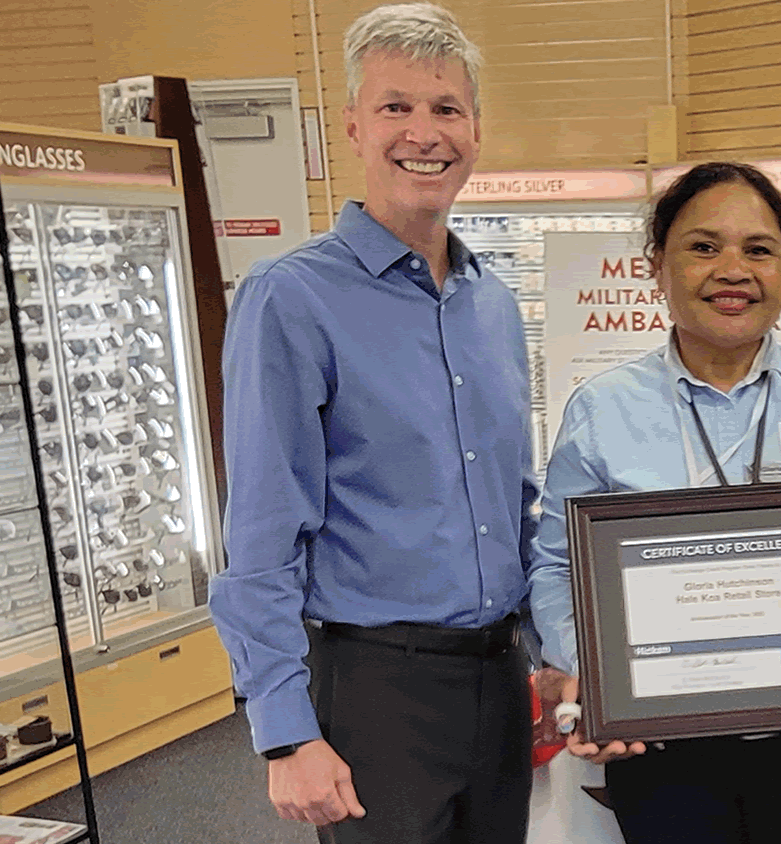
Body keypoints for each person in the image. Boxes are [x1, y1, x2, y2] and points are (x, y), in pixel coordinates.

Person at [209, 4, 537, 842]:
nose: (423, 133)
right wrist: (285, 730)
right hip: (373, 692)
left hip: (500, 681)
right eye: (396, 107)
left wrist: (563, 651)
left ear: (476, 129)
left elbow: (515, 501)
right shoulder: (290, 299)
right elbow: (261, 530)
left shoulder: (494, 305)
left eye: (445, 108)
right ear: (352, 125)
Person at [527, 161, 781, 844]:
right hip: (660, 747)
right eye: (703, 247)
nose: (733, 270)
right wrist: (594, 673)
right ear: (658, 266)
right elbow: (557, 569)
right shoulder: (603, 410)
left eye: (758, 250)